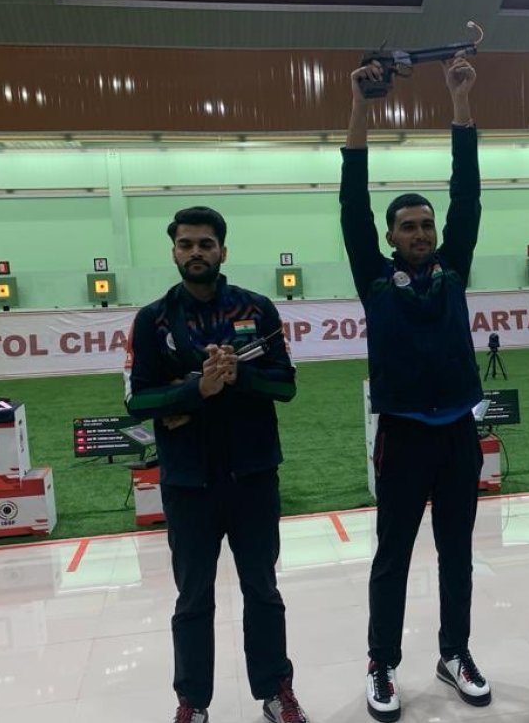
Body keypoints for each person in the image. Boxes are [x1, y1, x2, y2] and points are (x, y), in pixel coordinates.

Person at [340, 53, 491, 722]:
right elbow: (351, 196)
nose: (423, 233)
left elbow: (469, 195)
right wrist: (362, 105)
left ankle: (454, 653)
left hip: (459, 431)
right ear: (390, 236)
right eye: (410, 226)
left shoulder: (454, 269)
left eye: (427, 225)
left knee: (456, 551)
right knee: (393, 557)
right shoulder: (373, 278)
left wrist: (460, 103)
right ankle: (382, 663)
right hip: (401, 434)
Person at [123, 206, 308, 723]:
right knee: (193, 598)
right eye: (187, 244)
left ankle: (276, 692)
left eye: (206, 243)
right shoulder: (153, 319)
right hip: (189, 483)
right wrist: (195, 389)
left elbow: (286, 385)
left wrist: (236, 378)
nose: (196, 252)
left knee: (263, 591)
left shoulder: (257, 308)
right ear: (175, 252)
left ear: (223, 250)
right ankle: (192, 703)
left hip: (252, 476)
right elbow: (138, 403)